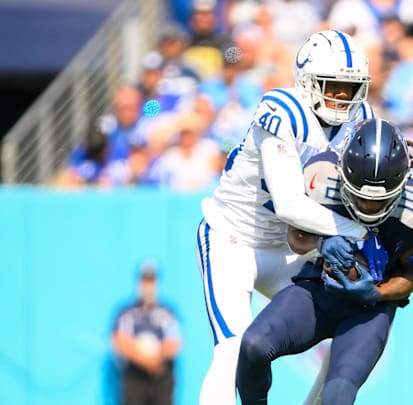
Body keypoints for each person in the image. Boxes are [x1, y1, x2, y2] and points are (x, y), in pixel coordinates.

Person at [195, 30, 396, 405]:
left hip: (294, 247)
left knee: (352, 319)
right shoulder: (283, 110)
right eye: (332, 86)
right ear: (307, 81)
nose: (341, 97)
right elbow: (288, 202)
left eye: (349, 88)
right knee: (232, 348)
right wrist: (355, 231)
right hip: (234, 239)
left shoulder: (361, 119)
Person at [236, 118, 413, 404]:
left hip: (369, 310)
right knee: (254, 345)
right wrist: (321, 242)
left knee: (338, 396)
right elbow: (296, 237)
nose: (368, 206)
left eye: (379, 201)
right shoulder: (320, 175)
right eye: (361, 197)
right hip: (319, 289)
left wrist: (377, 292)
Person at [111, 260, 181, 405]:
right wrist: (144, 359)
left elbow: (174, 343)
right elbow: (119, 340)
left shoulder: (167, 312)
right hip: (134, 377)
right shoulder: (126, 312)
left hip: (161, 377)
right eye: (145, 280)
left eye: (152, 280)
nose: (148, 285)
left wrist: (156, 358)